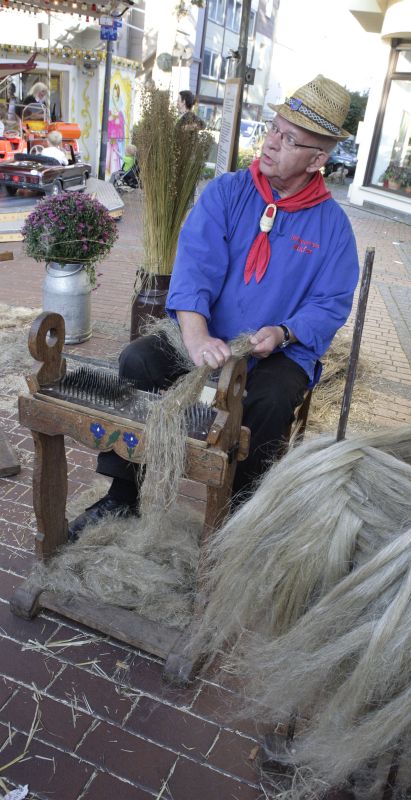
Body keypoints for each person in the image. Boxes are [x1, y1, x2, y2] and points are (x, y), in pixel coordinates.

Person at [68, 73, 360, 539]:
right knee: (138, 360)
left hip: (274, 352)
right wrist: (197, 334)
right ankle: (123, 495)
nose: (272, 143)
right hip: (208, 335)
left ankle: (237, 518)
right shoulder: (227, 192)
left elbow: (331, 302)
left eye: (290, 139)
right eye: (274, 129)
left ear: (318, 158)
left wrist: (284, 332)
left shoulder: (333, 227)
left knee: (271, 401)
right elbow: (195, 268)